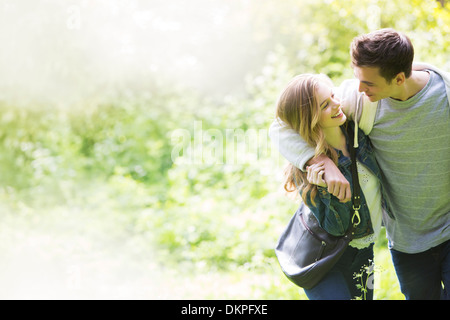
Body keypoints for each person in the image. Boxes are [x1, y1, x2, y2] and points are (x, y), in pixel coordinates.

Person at [269, 29, 450, 300]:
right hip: (407, 244)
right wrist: (319, 161)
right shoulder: (361, 101)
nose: (359, 90)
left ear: (400, 78)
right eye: (358, 80)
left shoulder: (444, 95)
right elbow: (281, 126)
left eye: (368, 83)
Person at [275, 73, 383, 300]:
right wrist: (327, 190)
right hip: (324, 258)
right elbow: (336, 228)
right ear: (310, 118)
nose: (337, 104)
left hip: (364, 251)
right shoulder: (306, 168)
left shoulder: (359, 134)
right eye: (325, 105)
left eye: (333, 95)